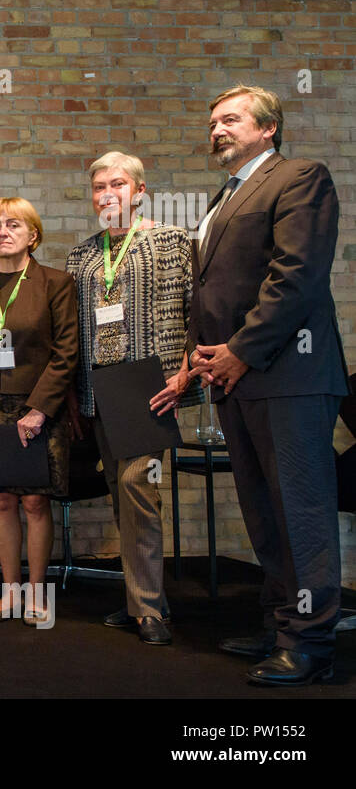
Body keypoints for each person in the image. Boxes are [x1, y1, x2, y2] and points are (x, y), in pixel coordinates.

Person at [187, 85, 346, 685]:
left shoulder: (300, 177)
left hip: (289, 375)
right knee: (263, 510)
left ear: (268, 128)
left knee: (299, 510)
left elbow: (296, 277)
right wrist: (202, 358)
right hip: (238, 378)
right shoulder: (224, 195)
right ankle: (282, 623)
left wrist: (241, 351)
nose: (217, 129)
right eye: (212, 122)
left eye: (230, 119)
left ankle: (311, 644)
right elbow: (215, 290)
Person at [66, 152, 197, 646]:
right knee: (124, 497)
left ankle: (149, 611)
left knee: (137, 485)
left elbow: (195, 310)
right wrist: (77, 397)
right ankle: (142, 600)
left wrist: (185, 372)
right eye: (98, 186)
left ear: (139, 190)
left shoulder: (170, 241)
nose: (106, 193)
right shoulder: (81, 256)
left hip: (150, 387)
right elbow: (74, 332)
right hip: (99, 392)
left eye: (117, 184)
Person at [0, 198, 78, 625]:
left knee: (34, 503)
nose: (2, 232)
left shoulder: (56, 283)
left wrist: (40, 408)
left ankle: (39, 594)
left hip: (37, 409)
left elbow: (66, 353)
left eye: (14, 225)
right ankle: (8, 593)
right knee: (1, 502)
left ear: (33, 236)